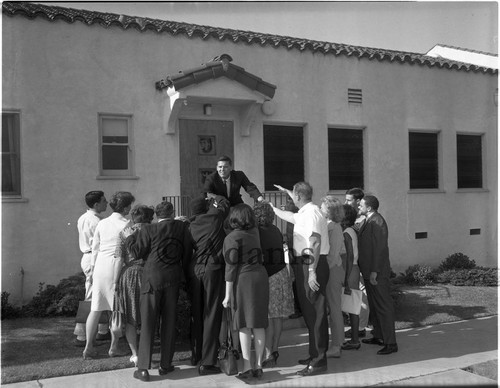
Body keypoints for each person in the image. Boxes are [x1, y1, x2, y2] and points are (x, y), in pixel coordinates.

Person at [126, 201, 193, 382]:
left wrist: (129, 237)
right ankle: (166, 364)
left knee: (148, 323)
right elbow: (187, 253)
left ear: (156, 215)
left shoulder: (148, 230)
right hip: (173, 278)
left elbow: (137, 252)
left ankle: (143, 369)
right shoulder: (181, 228)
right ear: (172, 212)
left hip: (152, 279)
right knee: (169, 322)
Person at [271, 182, 330, 377]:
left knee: (316, 313)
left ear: (298, 196)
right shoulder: (304, 212)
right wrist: (271, 207)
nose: (291, 198)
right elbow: (289, 215)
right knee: (309, 313)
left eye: (292, 195)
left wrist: (312, 271)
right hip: (304, 264)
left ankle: (319, 360)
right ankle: (314, 354)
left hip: (311, 264)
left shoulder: (311, 213)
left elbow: (315, 241)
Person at [82, 191, 135, 359]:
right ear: (126, 207)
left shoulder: (102, 223)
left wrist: (91, 270)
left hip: (100, 267)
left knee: (95, 308)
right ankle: (113, 347)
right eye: (130, 205)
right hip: (116, 266)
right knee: (116, 309)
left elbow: (96, 247)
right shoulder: (128, 224)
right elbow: (129, 251)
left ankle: (88, 347)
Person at [222, 204, 269, 381]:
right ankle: (258, 365)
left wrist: (227, 295)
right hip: (260, 276)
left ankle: (248, 366)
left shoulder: (232, 237)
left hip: (243, 280)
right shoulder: (255, 233)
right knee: (258, 324)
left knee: (243, 324)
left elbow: (230, 267)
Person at [188, 194, 230, 375]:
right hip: (211, 269)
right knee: (211, 314)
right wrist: (215, 196)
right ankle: (208, 362)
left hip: (194, 269)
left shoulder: (190, 224)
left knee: (197, 313)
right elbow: (224, 204)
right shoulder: (214, 218)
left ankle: (196, 354)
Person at [113, 205, 155, 367]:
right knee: (148, 315)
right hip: (150, 272)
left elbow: (118, 259)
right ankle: (147, 352)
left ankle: (135, 354)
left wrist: (115, 281)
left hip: (129, 274)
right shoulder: (154, 230)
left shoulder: (124, 233)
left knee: (131, 317)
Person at [254, 202, 294, 369]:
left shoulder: (257, 232)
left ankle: (269, 353)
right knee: (277, 317)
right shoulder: (275, 230)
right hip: (281, 273)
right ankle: (274, 350)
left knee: (269, 317)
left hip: (269, 276)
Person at [358, 195, 398, 355]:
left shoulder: (378, 221)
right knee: (374, 306)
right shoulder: (368, 220)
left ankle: (391, 343)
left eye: (361, 205)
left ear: (369, 207)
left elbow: (380, 249)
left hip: (377, 273)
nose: (358, 206)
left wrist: (374, 271)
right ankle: (378, 335)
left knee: (383, 306)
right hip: (368, 271)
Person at [74, 190, 110, 347]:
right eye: (104, 201)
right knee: (91, 296)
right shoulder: (94, 221)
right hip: (94, 257)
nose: (106, 203)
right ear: (96, 204)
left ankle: (103, 330)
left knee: (100, 294)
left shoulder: (86, 217)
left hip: (92, 257)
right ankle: (82, 335)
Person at [320, 195, 345, 359]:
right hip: (331, 270)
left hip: (332, 271)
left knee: (335, 308)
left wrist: (320, 271)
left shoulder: (334, 228)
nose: (320, 208)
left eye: (322, 206)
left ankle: (337, 345)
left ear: (329, 209)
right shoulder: (331, 226)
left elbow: (333, 254)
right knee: (332, 308)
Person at [344, 187, 370, 339]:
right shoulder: (353, 221)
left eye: (348, 200)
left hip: (358, 264)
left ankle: (360, 328)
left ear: (358, 201)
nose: (346, 202)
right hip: (355, 264)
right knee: (356, 298)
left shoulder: (361, 220)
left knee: (362, 297)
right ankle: (357, 326)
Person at [340, 204, 362, 350]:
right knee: (352, 306)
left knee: (353, 307)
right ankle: (354, 338)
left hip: (350, 270)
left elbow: (349, 257)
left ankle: (354, 340)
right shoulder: (351, 231)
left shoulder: (347, 232)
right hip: (352, 269)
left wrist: (346, 279)